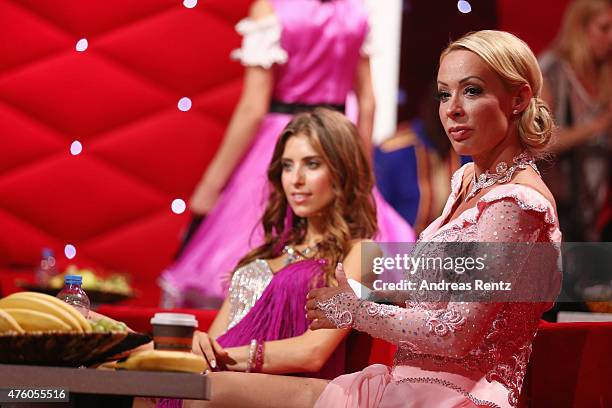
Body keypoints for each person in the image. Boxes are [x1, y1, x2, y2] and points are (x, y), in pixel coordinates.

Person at [176, 30, 562, 408]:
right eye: (445, 94)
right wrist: (375, 294)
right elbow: (435, 302)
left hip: (456, 397)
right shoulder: (467, 182)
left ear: (518, 98)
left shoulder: (516, 203)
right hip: (402, 386)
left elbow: (456, 333)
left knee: (208, 394)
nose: (452, 108)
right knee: (203, 391)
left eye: (472, 90)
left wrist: (356, 310)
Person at [159, 0, 415, 308]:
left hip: (284, 141)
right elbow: (368, 103)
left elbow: (253, 109)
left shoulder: (270, 11)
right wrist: (359, 172)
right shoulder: (356, 13)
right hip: (337, 141)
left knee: (258, 250)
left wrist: (210, 186)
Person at [146, 108, 381, 408]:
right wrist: (200, 346)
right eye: (286, 166)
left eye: (311, 164)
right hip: (226, 381)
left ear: (342, 171)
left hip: (292, 390)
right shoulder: (265, 253)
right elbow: (218, 339)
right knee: (130, 382)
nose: (295, 179)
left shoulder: (364, 252)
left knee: (207, 390)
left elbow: (313, 352)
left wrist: (223, 356)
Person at [539, 0, 612, 242]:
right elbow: (539, 141)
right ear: (580, 29)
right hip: (555, 214)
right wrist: (599, 126)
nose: (610, 38)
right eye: (604, 28)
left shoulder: (605, 74)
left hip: (592, 215)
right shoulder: (552, 71)